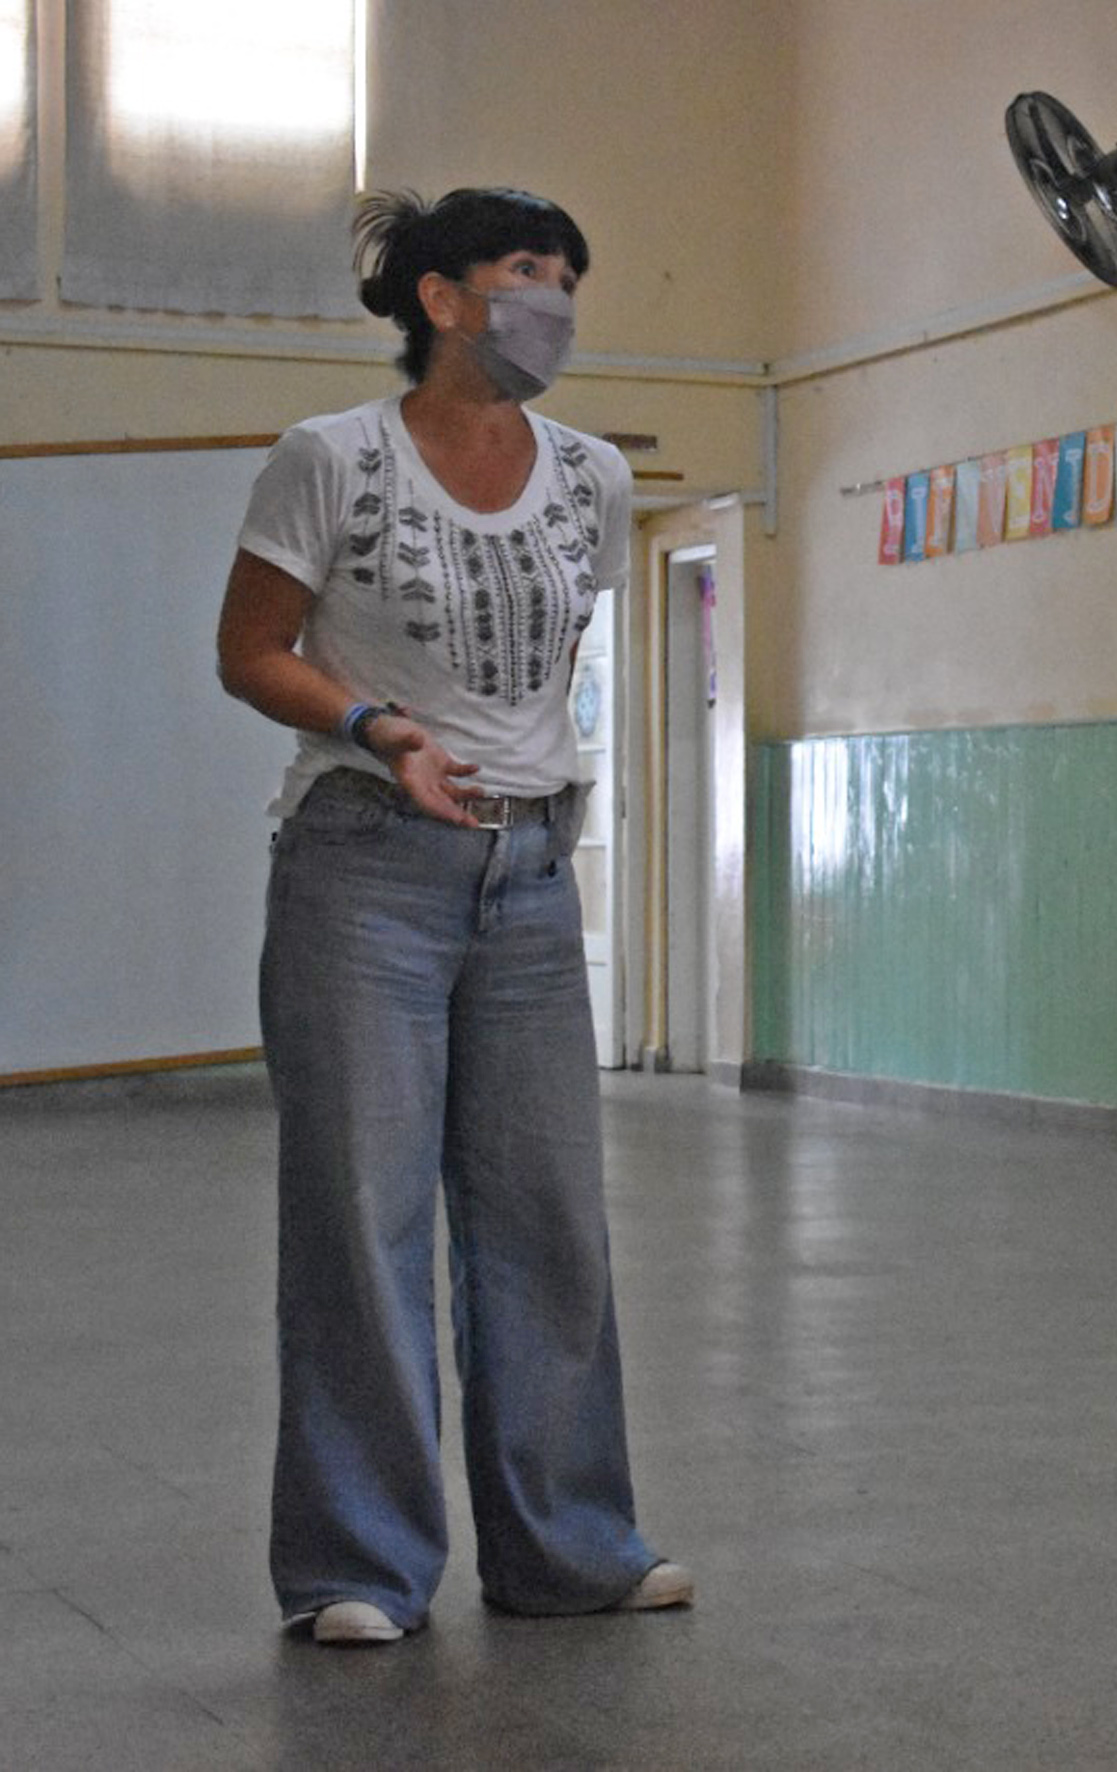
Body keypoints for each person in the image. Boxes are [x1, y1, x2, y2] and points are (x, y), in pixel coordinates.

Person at [215, 187, 688, 1645]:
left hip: (530, 877)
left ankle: (568, 1547)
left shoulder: (592, 476)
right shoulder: (332, 459)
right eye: (525, 272)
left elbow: (545, 670)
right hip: (364, 869)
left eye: (567, 276)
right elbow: (249, 651)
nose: (552, 300)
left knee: (546, 1225)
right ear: (441, 297)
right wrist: (378, 728)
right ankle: (358, 1566)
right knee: (361, 1220)